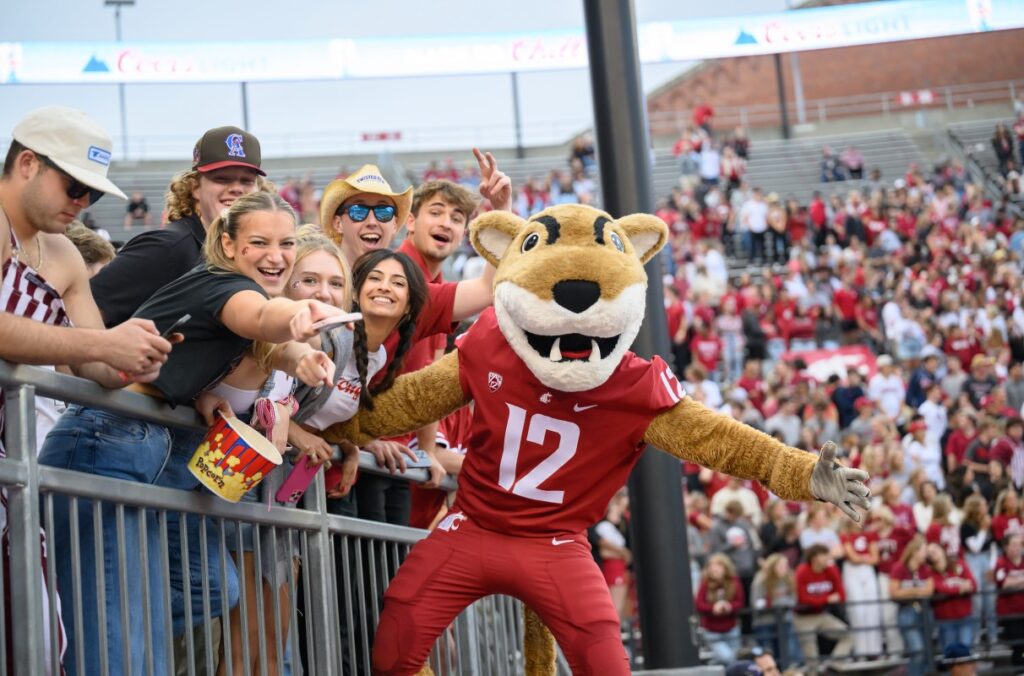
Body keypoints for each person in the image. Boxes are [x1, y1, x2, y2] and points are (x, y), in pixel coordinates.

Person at [38, 192, 347, 675]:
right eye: (259, 242)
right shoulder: (225, 286)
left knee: (193, 597)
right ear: (227, 244)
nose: (276, 255)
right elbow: (262, 318)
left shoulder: (240, 293)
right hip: (105, 439)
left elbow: (266, 340)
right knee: (114, 634)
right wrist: (295, 318)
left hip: (151, 445)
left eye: (286, 243)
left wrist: (299, 354)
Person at [0, 105, 173, 676]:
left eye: (92, 196)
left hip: (10, 464)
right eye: (73, 186)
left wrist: (138, 356)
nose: (81, 203)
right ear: (27, 163)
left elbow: (92, 358)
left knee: (39, 639)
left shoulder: (64, 251)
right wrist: (101, 349)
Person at [91, 125, 270, 327]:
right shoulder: (167, 248)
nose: (236, 188)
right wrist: (109, 354)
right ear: (195, 188)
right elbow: (82, 311)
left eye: (246, 181)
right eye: (221, 179)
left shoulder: (243, 252)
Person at [793, 544, 854, 672]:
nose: (828, 558)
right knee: (812, 658)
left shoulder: (831, 570)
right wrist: (826, 599)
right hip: (803, 617)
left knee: (848, 635)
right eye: (824, 555)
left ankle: (833, 667)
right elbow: (803, 599)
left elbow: (841, 595)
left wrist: (819, 600)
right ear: (814, 557)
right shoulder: (802, 571)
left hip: (821, 614)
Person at [889, 535, 934, 676]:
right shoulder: (899, 568)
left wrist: (907, 591)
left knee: (927, 651)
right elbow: (894, 593)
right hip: (906, 612)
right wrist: (916, 591)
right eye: (923, 550)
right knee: (917, 649)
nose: (926, 553)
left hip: (925, 612)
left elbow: (929, 590)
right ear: (914, 551)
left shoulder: (925, 568)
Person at [839, 517, 883, 656]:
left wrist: (863, 559)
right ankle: (860, 650)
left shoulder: (870, 535)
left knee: (872, 609)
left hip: (867, 571)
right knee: (857, 610)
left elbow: (875, 558)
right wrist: (865, 558)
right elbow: (852, 556)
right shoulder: (845, 536)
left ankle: (875, 649)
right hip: (852, 571)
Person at [750, 554, 802, 668]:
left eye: (786, 565)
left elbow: (793, 600)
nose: (784, 568)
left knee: (787, 654)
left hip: (784, 621)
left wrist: (775, 602)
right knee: (769, 656)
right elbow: (757, 603)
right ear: (772, 566)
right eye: (781, 565)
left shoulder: (789, 578)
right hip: (764, 623)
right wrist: (778, 602)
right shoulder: (761, 579)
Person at [696, 554, 745, 666]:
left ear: (725, 567)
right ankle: (710, 666)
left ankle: (711, 666)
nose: (714, 568)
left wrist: (728, 606)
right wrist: (713, 607)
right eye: (711, 565)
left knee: (732, 661)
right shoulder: (705, 583)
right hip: (712, 630)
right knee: (727, 658)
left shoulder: (734, 581)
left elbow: (740, 602)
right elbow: (699, 604)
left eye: (718, 565)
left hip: (731, 628)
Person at [926, 543, 975, 653]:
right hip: (945, 620)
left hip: (965, 616)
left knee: (966, 651)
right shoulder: (930, 573)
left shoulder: (959, 564)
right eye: (929, 552)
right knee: (950, 654)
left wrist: (953, 588)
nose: (932, 552)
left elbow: (973, 585)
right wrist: (960, 588)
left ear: (942, 549)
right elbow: (940, 589)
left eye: (935, 548)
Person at [994, 532, 1024, 668]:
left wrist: (1014, 581)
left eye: (1019, 544)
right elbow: (1004, 583)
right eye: (1014, 544)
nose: (1017, 547)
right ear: (1005, 547)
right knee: (1018, 644)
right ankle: (1019, 670)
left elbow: (1009, 581)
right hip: (1010, 613)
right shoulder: (1001, 562)